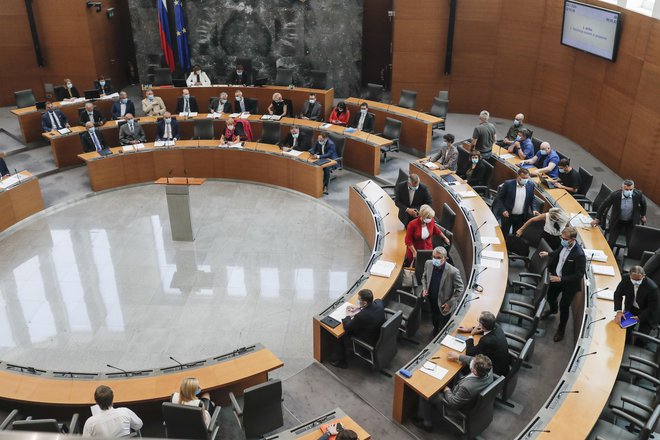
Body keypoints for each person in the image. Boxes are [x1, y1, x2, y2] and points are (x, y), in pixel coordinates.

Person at [413, 354, 494, 433]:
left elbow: (453, 403)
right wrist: (458, 356)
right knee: (454, 373)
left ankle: (426, 424)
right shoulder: (488, 368)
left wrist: (446, 390)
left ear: (474, 371)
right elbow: (472, 359)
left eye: (473, 364)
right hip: (466, 395)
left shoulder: (467, 387)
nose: (471, 361)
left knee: (426, 394)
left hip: (455, 408)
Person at [539, 226, 586, 342]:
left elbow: (578, 275)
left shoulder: (579, 255)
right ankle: (553, 310)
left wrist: (560, 279)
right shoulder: (563, 245)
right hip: (556, 278)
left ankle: (561, 330)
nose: (562, 240)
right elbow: (558, 253)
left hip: (569, 285)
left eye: (565, 238)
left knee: (564, 307)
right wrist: (548, 254)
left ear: (572, 240)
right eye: (562, 237)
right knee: (550, 297)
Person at [331, 289, 386, 369]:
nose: (358, 301)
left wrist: (348, 315)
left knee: (339, 336)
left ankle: (341, 362)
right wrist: (359, 307)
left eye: (359, 299)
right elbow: (378, 300)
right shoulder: (379, 306)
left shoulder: (361, 316)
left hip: (366, 342)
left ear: (365, 302)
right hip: (377, 335)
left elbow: (347, 327)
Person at [450, 311, 510, 376]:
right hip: (503, 364)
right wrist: (468, 329)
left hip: (494, 371)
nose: (478, 324)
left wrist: (471, 335)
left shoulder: (486, 341)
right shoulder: (495, 325)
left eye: (479, 323)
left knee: (459, 366)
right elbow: (485, 330)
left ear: (483, 327)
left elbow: (469, 352)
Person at [592, 179, 647, 248]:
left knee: (631, 244)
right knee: (611, 242)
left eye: (631, 189)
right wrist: (597, 218)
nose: (629, 191)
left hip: (631, 221)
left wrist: (643, 215)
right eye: (626, 189)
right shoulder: (615, 195)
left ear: (633, 188)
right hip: (617, 221)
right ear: (622, 188)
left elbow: (644, 204)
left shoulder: (638, 195)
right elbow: (603, 205)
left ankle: (626, 257)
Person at [420, 247, 464, 334]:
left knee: (444, 324)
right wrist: (424, 289)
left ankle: (442, 334)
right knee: (434, 318)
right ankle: (435, 329)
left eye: (439, 258)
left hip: (444, 304)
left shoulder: (453, 272)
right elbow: (424, 277)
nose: (435, 260)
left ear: (445, 258)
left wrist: (450, 302)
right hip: (432, 300)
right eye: (434, 257)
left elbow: (460, 288)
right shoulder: (428, 264)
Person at [614, 266, 659, 335]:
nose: (636, 282)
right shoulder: (626, 279)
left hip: (647, 313)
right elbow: (618, 294)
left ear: (643, 276)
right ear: (629, 275)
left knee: (641, 340)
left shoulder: (652, 288)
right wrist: (619, 311)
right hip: (632, 308)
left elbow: (652, 308)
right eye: (633, 279)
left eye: (638, 280)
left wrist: (639, 318)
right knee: (623, 331)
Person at [495, 167, 538, 238]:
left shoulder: (531, 185)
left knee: (516, 235)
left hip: (520, 217)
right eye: (523, 177)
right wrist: (503, 210)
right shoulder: (508, 184)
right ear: (518, 176)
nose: (525, 179)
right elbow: (499, 198)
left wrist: (534, 209)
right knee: (504, 234)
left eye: (527, 177)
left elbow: (532, 198)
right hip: (507, 215)